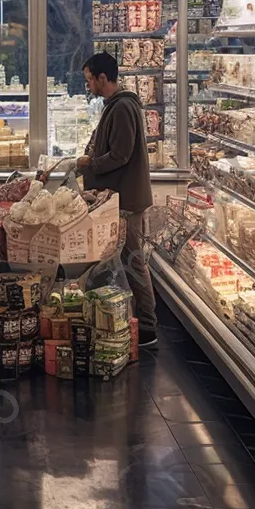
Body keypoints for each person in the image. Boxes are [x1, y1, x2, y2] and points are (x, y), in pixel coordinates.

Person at [76, 52, 158, 348]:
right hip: (119, 197)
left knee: (134, 261)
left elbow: (121, 155)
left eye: (89, 80)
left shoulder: (122, 108)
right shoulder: (116, 105)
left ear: (102, 78)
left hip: (127, 199)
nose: (87, 86)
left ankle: (148, 327)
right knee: (127, 260)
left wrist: (90, 164)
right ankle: (135, 319)